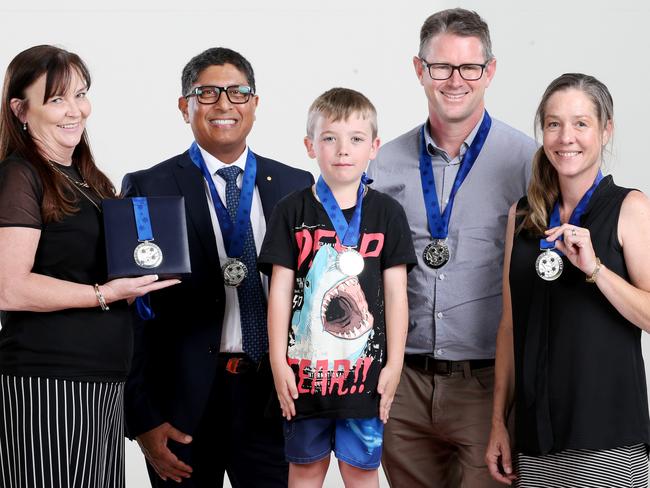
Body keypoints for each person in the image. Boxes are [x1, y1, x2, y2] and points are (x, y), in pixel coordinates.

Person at [122, 47, 313, 487]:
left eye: (237, 92)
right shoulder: (148, 186)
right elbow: (132, 312)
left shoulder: (295, 184)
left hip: (273, 398)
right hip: (184, 405)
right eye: (206, 93)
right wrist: (142, 418)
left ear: (255, 104)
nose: (224, 104)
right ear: (184, 106)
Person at [366, 8, 538, 487]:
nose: (454, 80)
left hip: (486, 387)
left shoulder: (529, 163)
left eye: (469, 68)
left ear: (491, 71)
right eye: (441, 67)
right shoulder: (380, 165)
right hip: (402, 386)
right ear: (420, 70)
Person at [0, 45, 178, 488]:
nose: (75, 110)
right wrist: (104, 294)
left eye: (81, 94)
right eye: (57, 98)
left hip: (99, 383)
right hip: (47, 384)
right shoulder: (19, 176)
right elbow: (9, 288)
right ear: (21, 110)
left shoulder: (87, 178)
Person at [486, 73, 650, 487]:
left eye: (581, 123)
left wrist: (596, 269)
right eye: (554, 124)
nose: (565, 137)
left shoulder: (629, 207)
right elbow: (509, 326)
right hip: (537, 439)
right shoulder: (522, 217)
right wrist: (498, 423)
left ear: (605, 130)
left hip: (606, 440)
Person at [258, 87, 416, 488]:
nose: (343, 150)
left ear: (374, 147)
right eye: (330, 138)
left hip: (366, 379)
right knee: (305, 471)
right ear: (311, 146)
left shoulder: (387, 212)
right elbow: (279, 291)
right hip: (303, 378)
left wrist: (394, 364)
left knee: (361, 474)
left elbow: (397, 294)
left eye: (356, 139)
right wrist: (278, 362)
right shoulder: (291, 210)